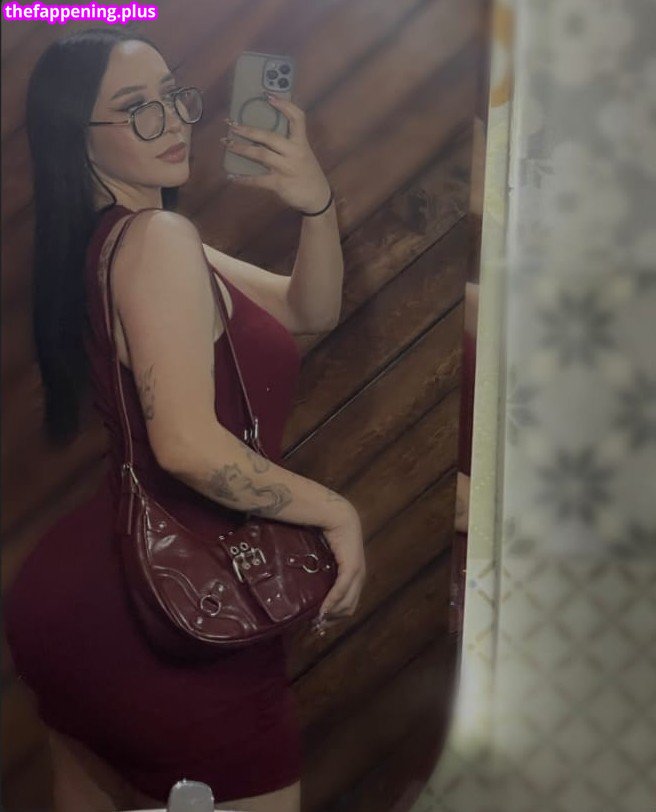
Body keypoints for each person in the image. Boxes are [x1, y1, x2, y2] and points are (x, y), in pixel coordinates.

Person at [4, 28, 366, 812]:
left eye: (172, 96)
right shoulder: (157, 239)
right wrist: (335, 509)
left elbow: (310, 309)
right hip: (170, 609)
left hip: (95, 595)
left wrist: (315, 204)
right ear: (78, 137)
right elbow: (187, 447)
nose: (170, 120)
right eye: (137, 108)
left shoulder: (123, 240)